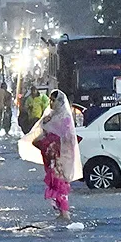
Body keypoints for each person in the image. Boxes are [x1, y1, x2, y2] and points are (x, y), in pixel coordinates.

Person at [30, 90, 82, 220]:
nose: (52, 103)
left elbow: (68, 136)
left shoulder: (65, 118)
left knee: (60, 181)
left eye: (54, 100)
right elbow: (44, 130)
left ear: (60, 102)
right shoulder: (52, 116)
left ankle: (65, 212)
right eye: (50, 101)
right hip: (52, 155)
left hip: (61, 156)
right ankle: (61, 211)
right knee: (54, 181)